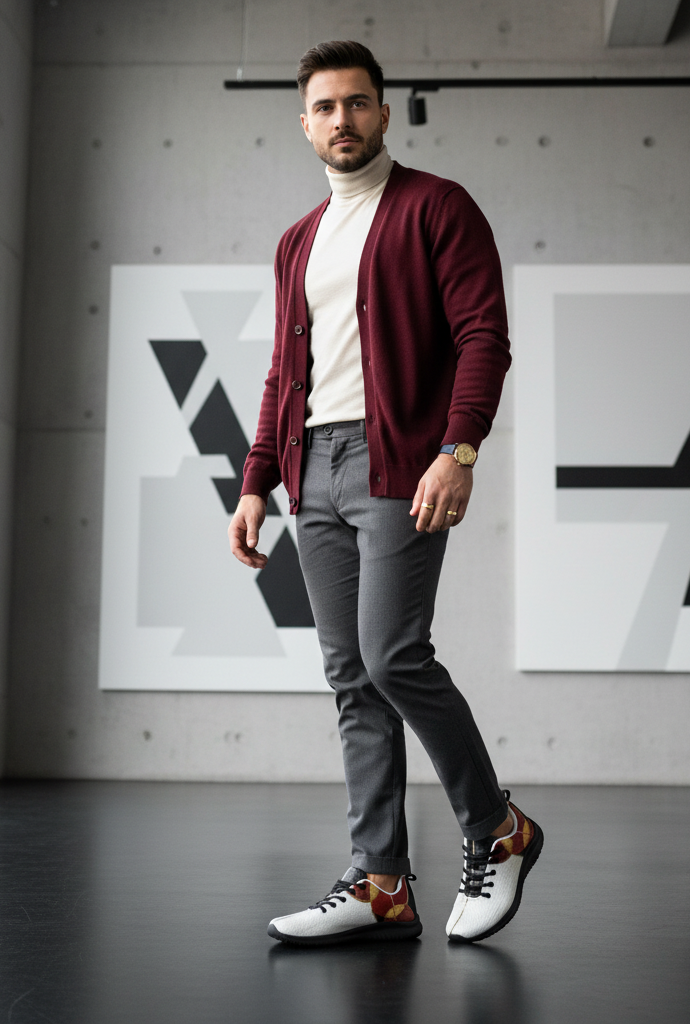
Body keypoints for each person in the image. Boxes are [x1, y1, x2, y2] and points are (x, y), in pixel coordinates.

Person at [228, 40, 542, 945]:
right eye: (324, 108)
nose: (342, 121)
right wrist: (256, 483)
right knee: (349, 676)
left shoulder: (437, 207)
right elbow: (284, 372)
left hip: (398, 458)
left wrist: (460, 449)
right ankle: (381, 881)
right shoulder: (297, 240)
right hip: (310, 469)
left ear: (384, 112)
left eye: (358, 103)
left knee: (391, 653)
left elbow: (485, 335)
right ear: (305, 124)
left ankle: (498, 829)